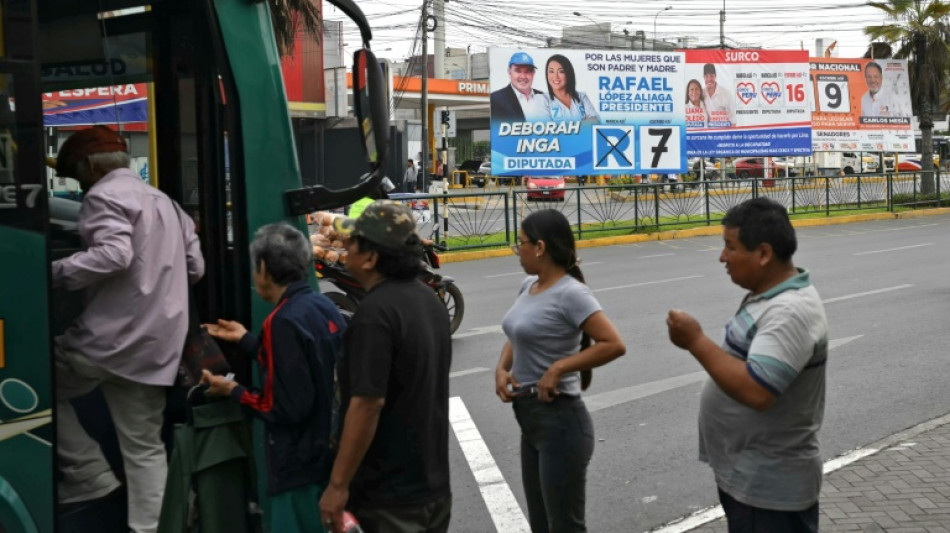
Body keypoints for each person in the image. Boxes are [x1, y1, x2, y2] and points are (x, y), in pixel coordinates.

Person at [51, 125, 205, 533]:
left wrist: (52, 273)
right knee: (144, 450)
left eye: (76, 175)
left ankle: (87, 475)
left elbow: (114, 255)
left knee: (34, 379)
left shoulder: (103, 195)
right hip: (154, 350)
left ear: (88, 166)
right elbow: (196, 268)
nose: (79, 185)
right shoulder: (167, 204)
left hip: (105, 342)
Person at [666, 197, 829, 533]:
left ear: (764, 253)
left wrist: (695, 340)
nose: (722, 257)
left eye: (730, 246)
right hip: (751, 479)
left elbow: (757, 391)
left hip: (771, 491)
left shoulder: (789, 312)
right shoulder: (768, 295)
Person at [201, 223, 345, 533]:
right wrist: (248, 341)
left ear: (263, 268)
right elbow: (307, 366)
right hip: (328, 459)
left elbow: (281, 405)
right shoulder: (323, 307)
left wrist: (232, 390)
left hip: (298, 467)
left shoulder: (281, 321)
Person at [319, 200, 452, 533]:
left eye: (354, 243)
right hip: (433, 489)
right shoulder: (428, 301)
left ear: (371, 258)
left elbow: (366, 405)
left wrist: (337, 485)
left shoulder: (375, 315)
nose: (345, 248)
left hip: (391, 499)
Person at [495, 209, 625, 532]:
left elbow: (613, 343)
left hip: (562, 424)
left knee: (564, 527)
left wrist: (559, 368)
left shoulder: (572, 293)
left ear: (539, 247)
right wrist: (502, 367)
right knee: (540, 524)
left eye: (520, 243)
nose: (517, 251)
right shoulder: (529, 286)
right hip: (531, 420)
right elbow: (518, 331)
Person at [490, 51, 549, 122]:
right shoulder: (496, 99)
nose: (523, 76)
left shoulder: (545, 98)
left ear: (533, 73)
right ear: (509, 72)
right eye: (518, 71)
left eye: (527, 71)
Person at [545, 54, 599, 122]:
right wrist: (584, 123)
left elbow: (595, 121)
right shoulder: (543, 100)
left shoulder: (581, 96)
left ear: (568, 73)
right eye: (551, 71)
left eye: (561, 71)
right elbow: (547, 129)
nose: (555, 77)